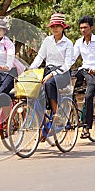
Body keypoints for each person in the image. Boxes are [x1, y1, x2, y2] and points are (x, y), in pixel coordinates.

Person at [29, 13, 73, 141]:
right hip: (48, 70)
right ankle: (43, 124)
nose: (55, 29)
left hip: (63, 73)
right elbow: (40, 57)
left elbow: (68, 64)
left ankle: (56, 113)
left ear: (63, 27)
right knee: (34, 92)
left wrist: (53, 74)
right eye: (52, 26)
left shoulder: (68, 43)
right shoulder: (47, 41)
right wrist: (30, 69)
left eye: (57, 26)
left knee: (49, 83)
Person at [72, 15, 95, 139]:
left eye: (85, 27)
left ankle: (86, 128)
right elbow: (72, 58)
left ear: (91, 28)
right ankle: (74, 112)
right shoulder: (78, 42)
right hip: (83, 70)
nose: (83, 30)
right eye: (81, 28)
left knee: (88, 96)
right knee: (67, 86)